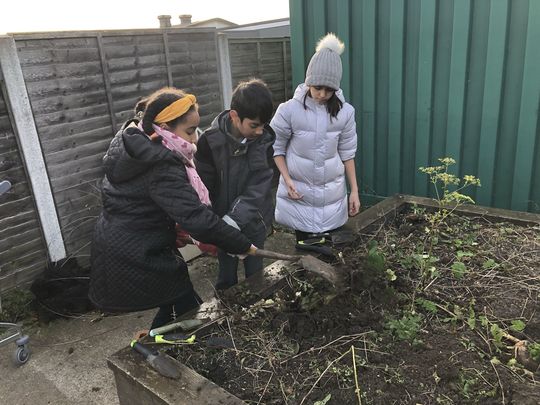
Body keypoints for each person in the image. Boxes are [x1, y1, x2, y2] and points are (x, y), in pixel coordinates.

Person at [89, 87, 255, 329]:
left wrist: (169, 228)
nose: (194, 139)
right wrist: (240, 243)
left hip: (127, 242)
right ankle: (194, 340)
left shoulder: (136, 142)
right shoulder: (161, 164)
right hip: (134, 252)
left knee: (171, 292)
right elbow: (196, 218)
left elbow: (145, 202)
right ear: (165, 127)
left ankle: (160, 336)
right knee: (184, 296)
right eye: (189, 131)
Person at [270, 33, 361, 256]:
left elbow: (347, 153)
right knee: (304, 252)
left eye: (328, 90)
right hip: (299, 193)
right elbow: (275, 148)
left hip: (332, 195)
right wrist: (288, 180)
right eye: (317, 87)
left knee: (330, 251)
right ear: (309, 81)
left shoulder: (345, 112)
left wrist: (354, 191)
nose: (322, 94)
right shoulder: (289, 110)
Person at [195, 79, 275, 290]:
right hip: (223, 222)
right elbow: (203, 187)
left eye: (264, 124)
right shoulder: (209, 143)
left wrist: (236, 220)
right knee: (226, 276)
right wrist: (211, 224)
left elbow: (259, 187)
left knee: (255, 275)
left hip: (254, 220)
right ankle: (227, 317)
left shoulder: (264, 142)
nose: (260, 131)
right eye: (254, 125)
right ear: (234, 116)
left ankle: (258, 309)